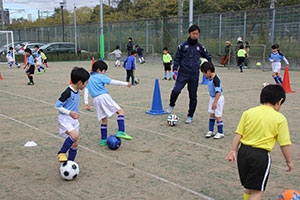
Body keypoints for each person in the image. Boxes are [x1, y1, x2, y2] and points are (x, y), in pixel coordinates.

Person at [225, 84, 293, 200]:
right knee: (257, 192)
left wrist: (233, 150)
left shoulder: (248, 112)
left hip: (243, 152)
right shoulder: (280, 118)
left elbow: (238, 134)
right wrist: (289, 161)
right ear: (280, 101)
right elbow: (284, 144)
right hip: (260, 156)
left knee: (249, 187)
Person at [166, 24, 211, 124]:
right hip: (183, 73)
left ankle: (190, 115)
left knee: (193, 96)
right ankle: (171, 104)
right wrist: (174, 70)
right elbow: (177, 58)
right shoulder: (182, 46)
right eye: (193, 33)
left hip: (194, 75)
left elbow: (208, 58)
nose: (195, 35)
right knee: (176, 90)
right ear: (189, 34)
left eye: (197, 34)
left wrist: (209, 70)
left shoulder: (200, 47)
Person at [84, 60, 132, 146]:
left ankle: (103, 139)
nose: (104, 73)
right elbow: (112, 82)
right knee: (120, 111)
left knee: (104, 119)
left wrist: (86, 102)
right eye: (103, 71)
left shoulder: (89, 78)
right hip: (104, 97)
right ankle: (121, 131)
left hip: (95, 100)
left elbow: (86, 90)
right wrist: (126, 83)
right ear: (99, 70)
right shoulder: (99, 76)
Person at [55, 67, 90, 162]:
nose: (87, 84)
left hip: (74, 120)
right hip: (65, 118)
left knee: (75, 144)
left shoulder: (77, 90)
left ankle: (70, 163)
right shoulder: (68, 92)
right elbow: (57, 106)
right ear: (80, 82)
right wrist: (69, 112)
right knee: (74, 136)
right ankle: (61, 153)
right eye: (86, 82)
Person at [201, 62, 225, 139]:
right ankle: (211, 131)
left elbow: (218, 92)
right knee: (212, 114)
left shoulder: (216, 80)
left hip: (218, 99)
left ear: (208, 71)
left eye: (204, 73)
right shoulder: (210, 78)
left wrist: (215, 102)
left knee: (218, 116)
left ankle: (220, 132)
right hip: (212, 98)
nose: (204, 75)